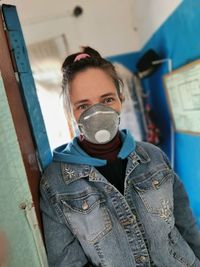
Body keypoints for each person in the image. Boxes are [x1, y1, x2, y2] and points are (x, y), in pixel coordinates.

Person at [40, 47, 200, 267]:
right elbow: (66, 261)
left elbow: (186, 226)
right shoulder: (56, 183)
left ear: (120, 98)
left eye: (106, 100)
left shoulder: (153, 156)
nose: (96, 113)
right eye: (83, 106)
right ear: (70, 111)